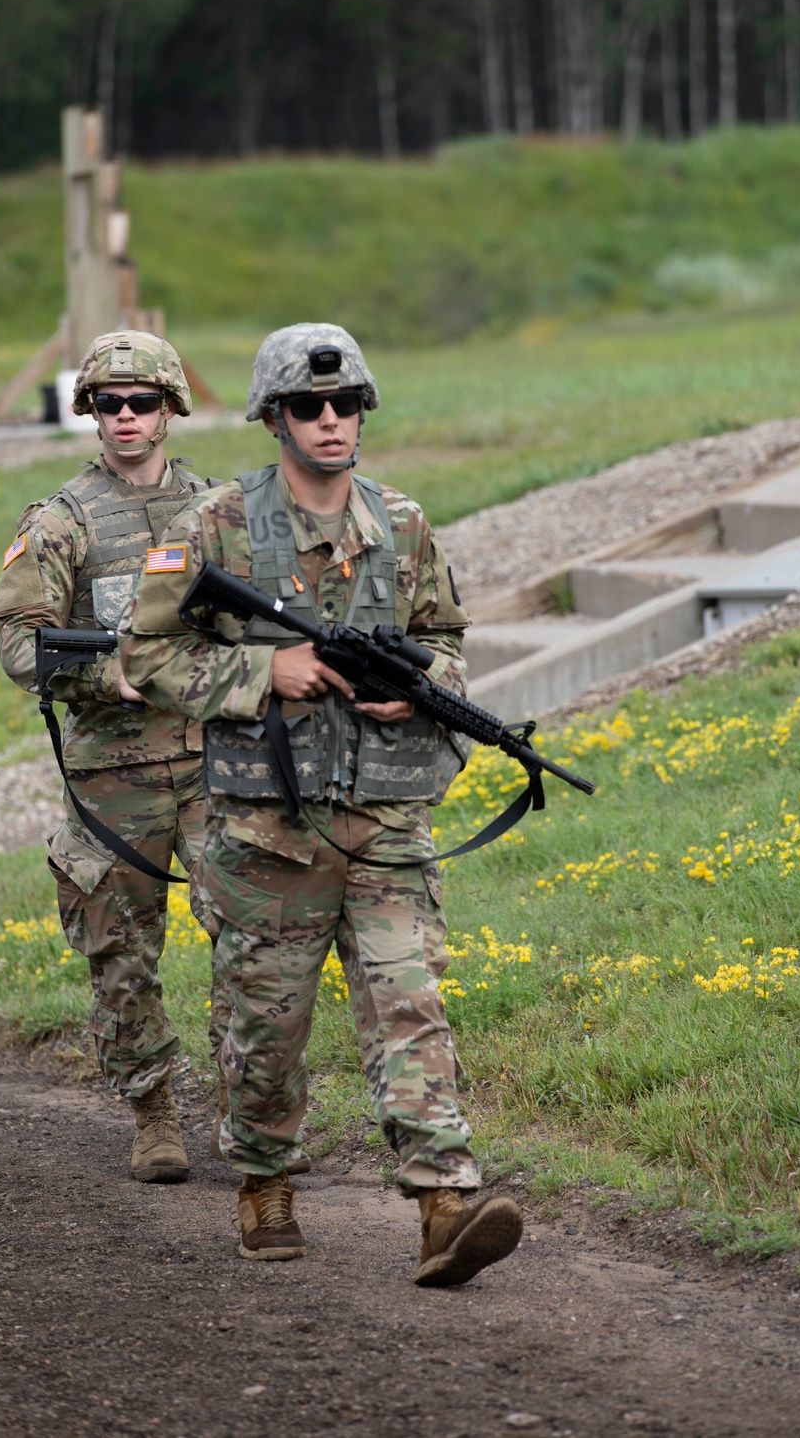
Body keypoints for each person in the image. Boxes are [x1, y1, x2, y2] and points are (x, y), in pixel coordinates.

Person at [119, 322, 523, 1286]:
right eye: (309, 406)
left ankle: (444, 1205)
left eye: (347, 406)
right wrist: (270, 668)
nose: (332, 421)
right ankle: (263, 1179)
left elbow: (449, 639)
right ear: (273, 418)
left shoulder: (404, 523)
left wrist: (420, 685)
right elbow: (147, 655)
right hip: (267, 832)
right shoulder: (215, 526)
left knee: (410, 1005)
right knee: (268, 1027)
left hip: (386, 821)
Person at [0, 329, 228, 1184]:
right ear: (89, 412)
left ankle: (250, 1114)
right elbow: (20, 644)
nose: (125, 417)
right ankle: (154, 1113)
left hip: (211, 761)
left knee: (247, 938)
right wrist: (108, 676)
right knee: (121, 956)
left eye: (142, 402)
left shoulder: (216, 507)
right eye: (106, 403)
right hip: (111, 777)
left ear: (172, 407)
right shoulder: (58, 521)